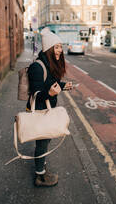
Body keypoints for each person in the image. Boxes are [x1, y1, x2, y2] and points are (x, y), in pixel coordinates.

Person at [27, 27, 72, 187]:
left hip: (48, 110)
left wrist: (64, 85)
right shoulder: (37, 67)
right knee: (42, 143)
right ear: (49, 49)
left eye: (60, 47)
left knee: (45, 141)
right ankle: (40, 176)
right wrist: (50, 94)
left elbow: (50, 84)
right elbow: (36, 94)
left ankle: (41, 166)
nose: (60, 50)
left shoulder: (50, 65)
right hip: (39, 111)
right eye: (57, 47)